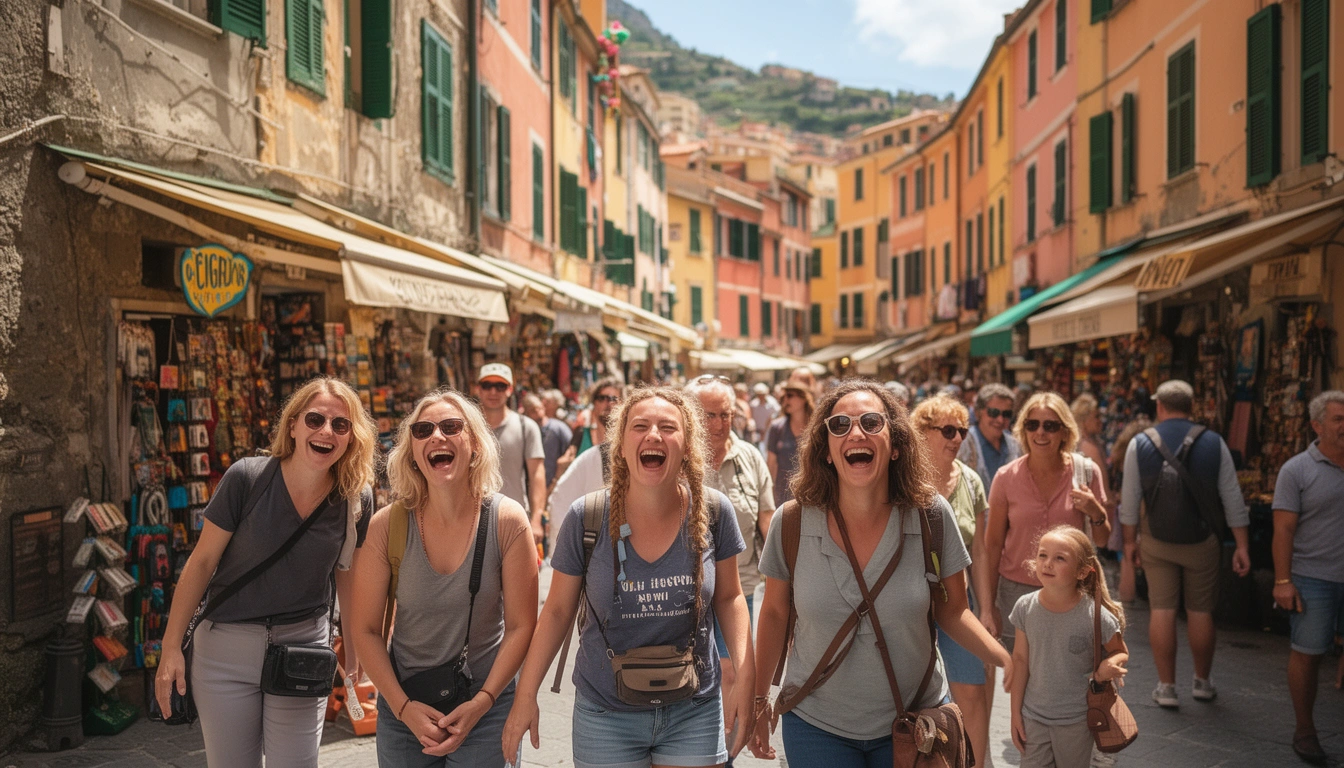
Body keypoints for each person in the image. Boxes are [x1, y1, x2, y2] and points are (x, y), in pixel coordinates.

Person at [749, 380, 1012, 766]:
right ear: (825, 452)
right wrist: (759, 700)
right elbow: (773, 613)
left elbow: (953, 610)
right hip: (816, 726)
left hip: (915, 723)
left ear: (897, 445)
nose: (856, 432)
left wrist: (1010, 661)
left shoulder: (932, 515)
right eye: (840, 425)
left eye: (872, 422)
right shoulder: (791, 523)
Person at [503, 387, 753, 768]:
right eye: (640, 426)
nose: (653, 435)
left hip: (694, 707)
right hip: (606, 713)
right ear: (620, 446)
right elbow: (555, 612)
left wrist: (746, 674)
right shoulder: (585, 518)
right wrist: (526, 695)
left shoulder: (714, 512)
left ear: (687, 446)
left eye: (668, 427)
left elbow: (730, 598)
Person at [154, 377, 376, 767]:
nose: (326, 431)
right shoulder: (247, 479)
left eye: (340, 425)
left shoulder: (355, 497)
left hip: (303, 648)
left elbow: (346, 572)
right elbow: (202, 562)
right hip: (224, 652)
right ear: (292, 426)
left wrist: (353, 647)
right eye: (315, 419)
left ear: (351, 438)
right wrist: (170, 648)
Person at [347, 390, 539, 766]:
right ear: (413, 453)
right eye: (422, 430)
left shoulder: (507, 521)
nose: (437, 436)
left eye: (451, 427)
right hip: (406, 706)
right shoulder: (388, 525)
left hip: (487, 705)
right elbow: (365, 629)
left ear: (475, 445)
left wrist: (483, 702)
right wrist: (403, 709)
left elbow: (521, 625)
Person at [1119, 380, 1250, 709]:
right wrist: (1243, 546)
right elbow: (1233, 499)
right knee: (1200, 611)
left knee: (1161, 610)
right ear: (1192, 407)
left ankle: (1166, 687)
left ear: (1159, 406)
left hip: (1156, 540)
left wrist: (1130, 542)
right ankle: (1202, 682)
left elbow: (1130, 501)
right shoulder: (1214, 443)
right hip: (1202, 540)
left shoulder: (1140, 443)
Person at [981, 392, 1110, 656]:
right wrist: (988, 605)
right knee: (1020, 678)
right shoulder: (1006, 478)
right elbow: (992, 545)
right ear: (1023, 430)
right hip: (1016, 594)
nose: (1040, 432)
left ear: (1065, 432)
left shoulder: (1086, 473)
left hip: (1071, 592)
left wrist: (1095, 511)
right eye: (1032, 425)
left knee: (1069, 672)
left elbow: (1103, 540)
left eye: (1050, 426)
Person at [687, 375, 776, 736]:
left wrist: (783, 572)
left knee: (733, 671)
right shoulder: (678, 458)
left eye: (726, 414)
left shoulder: (749, 457)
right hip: (690, 589)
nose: (720, 424)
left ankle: (722, 751)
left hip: (742, 586)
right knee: (700, 675)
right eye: (710, 415)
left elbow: (766, 518)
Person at [909, 394, 992, 765]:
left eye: (961, 430)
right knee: (913, 695)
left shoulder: (971, 481)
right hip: (909, 604)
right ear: (921, 432)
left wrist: (986, 609)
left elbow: (983, 552)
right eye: (947, 429)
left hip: (958, 603)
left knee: (971, 690)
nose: (957, 437)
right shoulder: (902, 479)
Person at [1009, 525, 1128, 768]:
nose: (1047, 563)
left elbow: (1120, 651)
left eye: (1059, 558)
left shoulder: (1095, 615)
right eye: (1042, 555)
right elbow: (1020, 660)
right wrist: (1015, 714)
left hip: (1077, 720)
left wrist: (1107, 667)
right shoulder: (1025, 607)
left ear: (1082, 572)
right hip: (1033, 717)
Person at [1271, 391, 1344, 766]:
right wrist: (1283, 581)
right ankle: (1305, 730)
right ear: (1317, 425)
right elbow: (1282, 530)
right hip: (1313, 577)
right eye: (1338, 419)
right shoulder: (1296, 469)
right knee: (1309, 654)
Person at [476, 364, 547, 546]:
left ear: (509, 390)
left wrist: (537, 520)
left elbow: (537, 474)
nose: (493, 391)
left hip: (515, 520)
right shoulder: (468, 428)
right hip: (472, 522)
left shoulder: (526, 427)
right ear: (478, 389)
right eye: (487, 385)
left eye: (500, 386)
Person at [1108, 415, 1152, 603]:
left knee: (1126, 554)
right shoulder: (1147, 455)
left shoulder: (1119, 456)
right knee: (1138, 551)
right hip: (1140, 510)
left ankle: (1126, 597)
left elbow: (1115, 484)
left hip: (1123, 510)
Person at [958, 383, 1023, 493]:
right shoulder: (963, 444)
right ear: (978, 412)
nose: (1000, 420)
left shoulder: (1015, 446)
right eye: (994, 413)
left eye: (1006, 414)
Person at [556, 376, 624, 479]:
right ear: (594, 402)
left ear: (622, 403)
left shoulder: (627, 438)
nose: (608, 403)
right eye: (602, 398)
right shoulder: (581, 434)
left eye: (613, 399)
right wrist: (561, 469)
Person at [767, 373, 813, 508]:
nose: (785, 400)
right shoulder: (777, 428)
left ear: (803, 398)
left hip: (810, 495)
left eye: (790, 396)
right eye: (783, 397)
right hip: (783, 497)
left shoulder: (815, 427)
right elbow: (771, 465)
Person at [526, 392, 572, 491]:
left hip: (558, 486)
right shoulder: (526, 432)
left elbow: (571, 453)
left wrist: (557, 477)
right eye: (533, 410)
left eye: (539, 408)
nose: (537, 412)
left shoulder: (559, 428)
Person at [749, 383, 780, 449]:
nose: (761, 396)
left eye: (762, 394)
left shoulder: (772, 404)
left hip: (769, 432)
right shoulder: (753, 404)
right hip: (757, 432)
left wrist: (765, 430)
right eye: (759, 394)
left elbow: (776, 416)